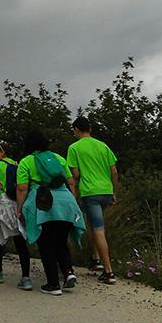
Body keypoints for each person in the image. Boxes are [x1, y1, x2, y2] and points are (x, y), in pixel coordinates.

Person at [16, 130, 85, 296]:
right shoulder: (59, 158)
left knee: (46, 244)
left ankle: (53, 284)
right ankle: (68, 272)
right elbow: (71, 182)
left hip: (44, 203)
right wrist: (72, 202)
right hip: (66, 203)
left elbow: (22, 188)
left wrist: (19, 209)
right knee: (61, 241)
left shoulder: (26, 161)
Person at [67, 116, 118, 284]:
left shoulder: (74, 148)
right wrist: (114, 192)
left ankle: (108, 271)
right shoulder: (103, 146)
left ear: (76, 129)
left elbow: (75, 175)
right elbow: (114, 171)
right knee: (96, 225)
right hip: (106, 190)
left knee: (97, 229)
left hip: (90, 192)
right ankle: (95, 259)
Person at [0, 142, 32, 290]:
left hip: (3, 204)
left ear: (2, 152)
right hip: (17, 203)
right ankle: (26, 277)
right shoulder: (17, 165)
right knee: (20, 241)